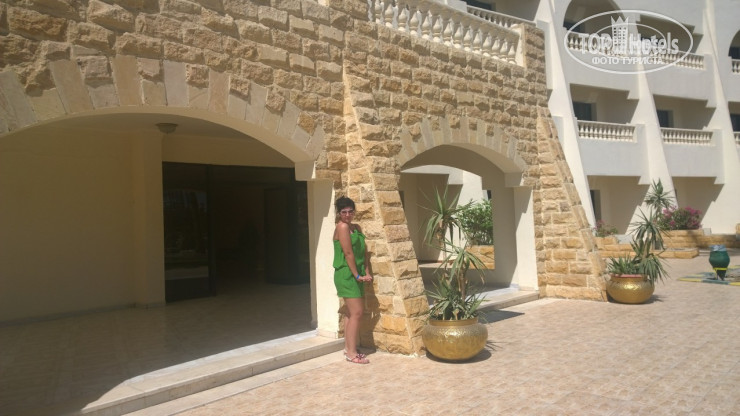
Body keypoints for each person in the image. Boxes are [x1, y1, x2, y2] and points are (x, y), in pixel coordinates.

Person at [333, 196, 373, 364]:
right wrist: (357, 275)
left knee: (351, 313)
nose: (348, 215)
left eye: (350, 211)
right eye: (344, 212)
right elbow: (348, 253)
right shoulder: (342, 227)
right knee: (357, 312)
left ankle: (348, 348)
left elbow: (363, 253)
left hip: (357, 274)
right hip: (346, 274)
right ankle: (351, 353)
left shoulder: (356, 228)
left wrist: (366, 272)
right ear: (339, 213)